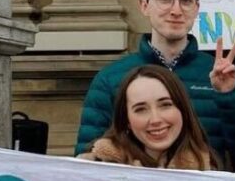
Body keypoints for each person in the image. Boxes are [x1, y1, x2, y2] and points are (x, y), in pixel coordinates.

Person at [75, 0, 235, 172]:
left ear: (196, 8)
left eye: (185, 0)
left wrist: (229, 96)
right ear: (144, 5)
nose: (176, 10)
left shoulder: (223, 74)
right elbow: (87, 164)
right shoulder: (110, 79)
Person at [78, 65, 218, 169]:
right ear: (126, 120)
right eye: (141, 109)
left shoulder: (209, 173)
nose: (155, 119)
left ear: (183, 109)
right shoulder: (95, 168)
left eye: (165, 105)